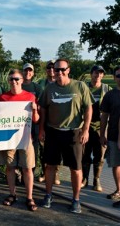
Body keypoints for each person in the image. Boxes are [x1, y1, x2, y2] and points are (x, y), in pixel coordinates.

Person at [39, 59, 93, 214]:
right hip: (53, 132)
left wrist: (86, 129)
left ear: (68, 70)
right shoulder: (49, 88)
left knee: (75, 168)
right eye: (56, 70)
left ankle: (76, 200)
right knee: (50, 165)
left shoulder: (80, 86)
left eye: (62, 69)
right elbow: (43, 109)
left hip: (74, 132)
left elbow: (88, 108)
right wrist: (41, 129)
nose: (59, 73)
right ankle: (48, 195)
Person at [0, 69, 39, 211]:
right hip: (9, 139)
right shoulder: (3, 98)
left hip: (25, 138)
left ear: (22, 80)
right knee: (10, 167)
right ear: (8, 81)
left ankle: (29, 197)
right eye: (11, 79)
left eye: (16, 79)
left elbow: (36, 119)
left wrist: (34, 110)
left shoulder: (30, 96)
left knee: (27, 168)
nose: (14, 82)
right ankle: (12, 194)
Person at [81, 65, 111, 192]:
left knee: (100, 154)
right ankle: (84, 178)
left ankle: (96, 179)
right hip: (85, 125)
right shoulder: (84, 87)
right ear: (91, 74)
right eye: (95, 72)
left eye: (100, 73)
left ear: (103, 75)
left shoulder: (107, 89)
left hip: (101, 126)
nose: (98, 75)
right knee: (84, 153)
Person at [100, 66, 120, 207]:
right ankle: (118, 190)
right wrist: (102, 134)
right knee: (115, 164)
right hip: (113, 134)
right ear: (114, 77)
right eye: (118, 75)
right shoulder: (110, 95)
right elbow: (104, 116)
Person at [37, 60, 60, 183]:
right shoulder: (41, 84)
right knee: (43, 149)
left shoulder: (61, 82)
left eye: (53, 67)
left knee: (57, 149)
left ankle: (55, 173)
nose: (51, 69)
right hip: (44, 120)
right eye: (49, 67)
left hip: (57, 121)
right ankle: (44, 172)